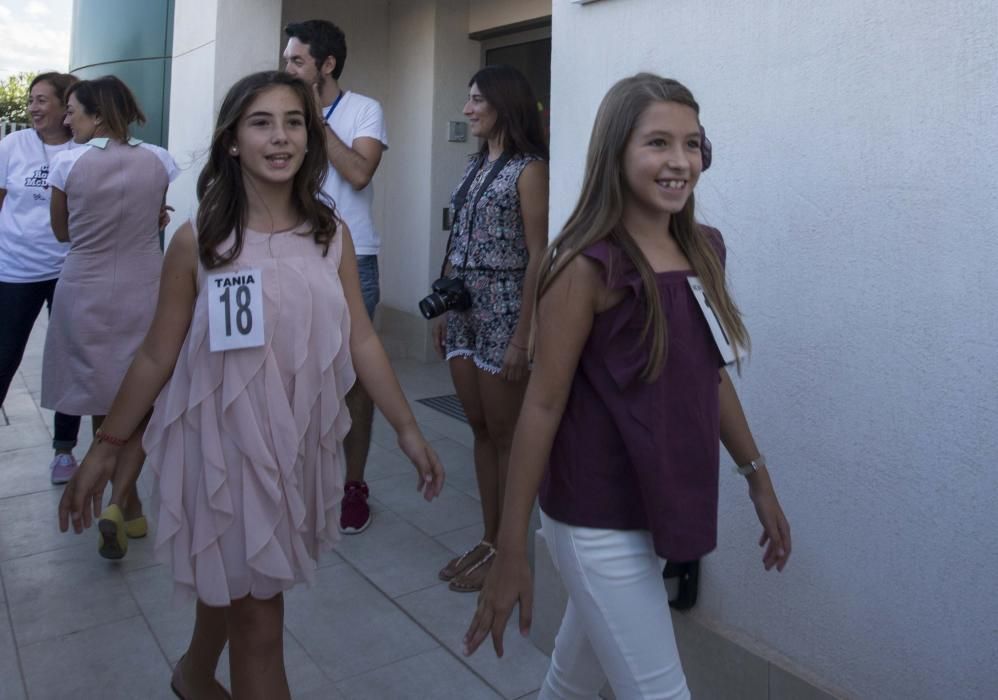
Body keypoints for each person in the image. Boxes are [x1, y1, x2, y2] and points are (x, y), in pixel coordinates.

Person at [56, 71, 445, 700]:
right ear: (233, 140)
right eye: (261, 122)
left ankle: (191, 674)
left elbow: (363, 339)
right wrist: (108, 445)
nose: (280, 136)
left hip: (294, 445)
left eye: (294, 121)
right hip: (222, 449)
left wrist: (406, 426)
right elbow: (158, 353)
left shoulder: (330, 236)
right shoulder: (200, 242)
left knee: (239, 578)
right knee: (262, 620)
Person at [463, 74, 792, 699]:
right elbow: (542, 404)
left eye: (691, 144)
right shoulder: (587, 264)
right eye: (658, 143)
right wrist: (512, 548)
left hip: (656, 500)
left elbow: (709, 373)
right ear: (616, 152)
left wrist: (757, 476)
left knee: (571, 678)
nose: (679, 161)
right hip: (596, 515)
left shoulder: (705, 250)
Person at [41, 75, 179, 559]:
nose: (65, 118)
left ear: (97, 114)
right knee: (139, 399)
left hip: (85, 289)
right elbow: (153, 217)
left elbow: (62, 233)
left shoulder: (67, 161)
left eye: (73, 110)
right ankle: (125, 502)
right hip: (145, 287)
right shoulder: (159, 158)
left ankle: (123, 501)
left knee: (106, 395)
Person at [431, 65, 548, 593]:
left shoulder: (529, 169)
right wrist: (444, 300)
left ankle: (509, 548)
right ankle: (488, 538)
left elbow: (540, 256)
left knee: (506, 436)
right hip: (463, 311)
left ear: (502, 102)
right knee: (478, 429)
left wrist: (526, 334)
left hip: (505, 310)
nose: (467, 109)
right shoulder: (475, 165)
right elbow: (459, 237)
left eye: (476, 99)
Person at [284, 19, 389, 534]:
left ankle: (353, 485)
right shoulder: (281, 110)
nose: (287, 69)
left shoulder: (364, 109)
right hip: (292, 255)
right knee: (296, 370)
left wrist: (317, 123)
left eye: (297, 61)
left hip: (355, 256)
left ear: (325, 65)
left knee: (357, 378)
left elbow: (359, 172)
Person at [0, 72, 83, 484]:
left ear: (67, 107)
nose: (33, 107)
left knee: (67, 358)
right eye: (31, 100)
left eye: (42, 100)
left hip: (68, 271)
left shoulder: (83, 150)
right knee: (4, 355)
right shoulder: (12, 146)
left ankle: (64, 451)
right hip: (13, 269)